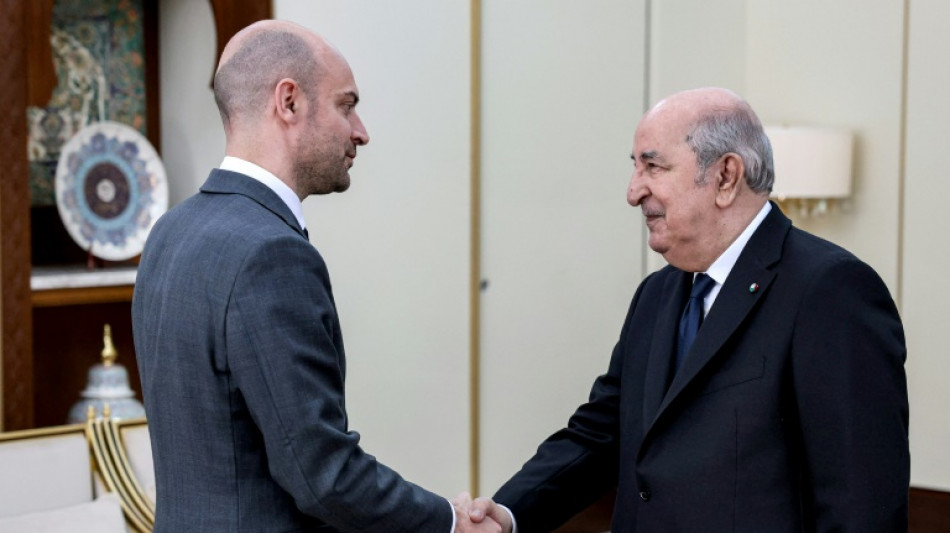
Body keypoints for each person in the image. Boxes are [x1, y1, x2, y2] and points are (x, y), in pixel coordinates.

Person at [468, 87, 909, 532]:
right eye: (635, 166)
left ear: (725, 177)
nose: (633, 191)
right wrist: (506, 515)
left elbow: (861, 503)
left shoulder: (830, 289)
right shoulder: (656, 294)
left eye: (653, 166)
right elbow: (602, 433)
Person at [132, 20, 499, 533]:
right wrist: (450, 522)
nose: (361, 131)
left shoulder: (169, 231)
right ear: (289, 102)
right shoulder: (271, 253)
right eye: (346, 106)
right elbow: (323, 476)